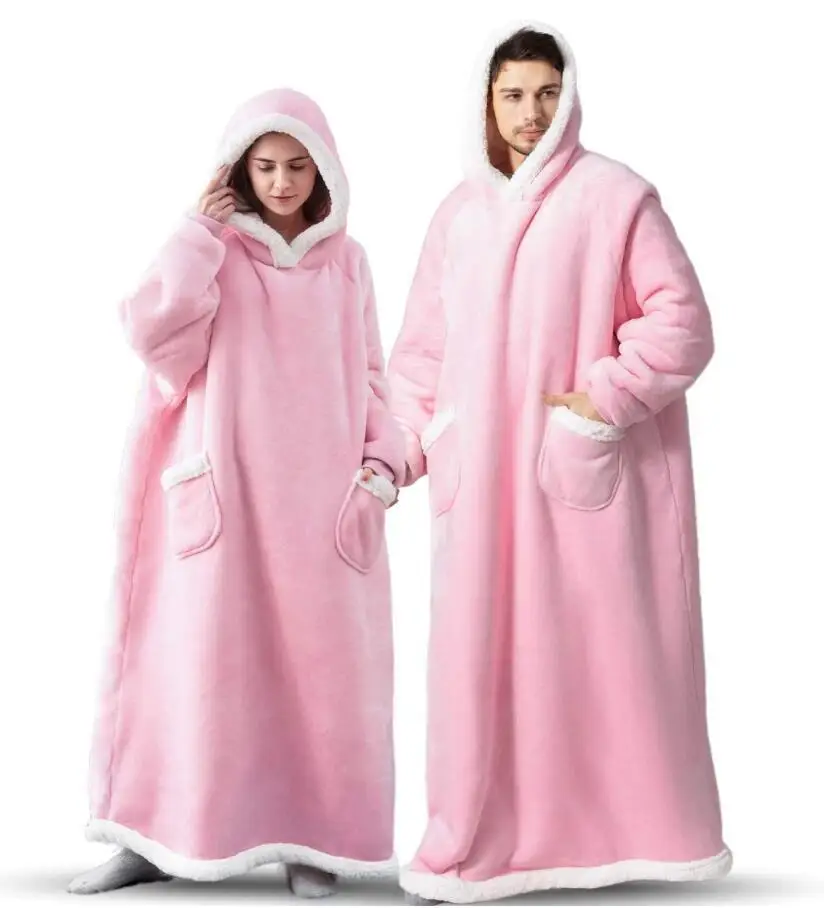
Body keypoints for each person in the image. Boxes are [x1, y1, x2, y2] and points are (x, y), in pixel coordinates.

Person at [387, 21, 732, 904]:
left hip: (578, 479)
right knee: (480, 667)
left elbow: (682, 323)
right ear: (487, 102)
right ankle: (484, 837)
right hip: (479, 485)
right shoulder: (458, 215)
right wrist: (398, 452)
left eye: (546, 93)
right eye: (513, 95)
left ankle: (627, 837)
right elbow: (421, 354)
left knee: (599, 656)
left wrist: (603, 400)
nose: (530, 113)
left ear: (569, 96)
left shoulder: (616, 198)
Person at [68, 88, 404, 897]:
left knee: (322, 684)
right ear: (239, 172)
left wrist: (380, 469)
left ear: (324, 172)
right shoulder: (213, 252)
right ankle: (153, 838)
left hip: (322, 511)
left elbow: (371, 375)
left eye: (297, 167)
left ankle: (315, 840)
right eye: (265, 167)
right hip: (221, 496)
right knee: (192, 673)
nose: (282, 182)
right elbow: (153, 336)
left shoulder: (349, 265)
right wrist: (194, 232)